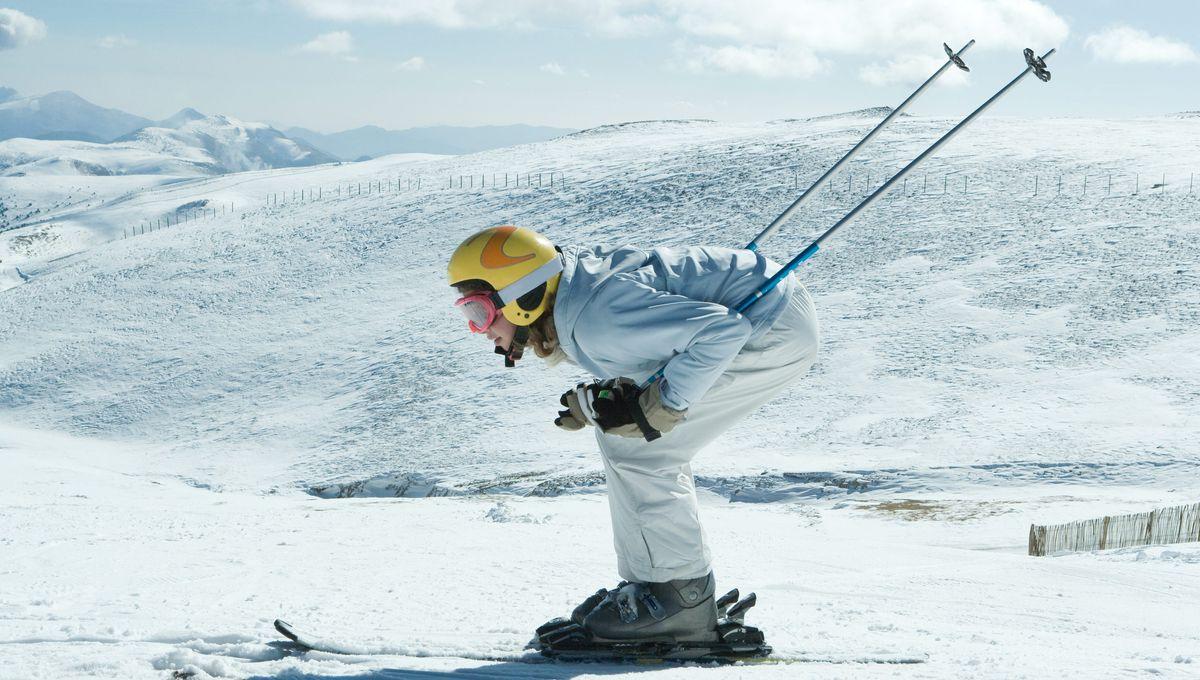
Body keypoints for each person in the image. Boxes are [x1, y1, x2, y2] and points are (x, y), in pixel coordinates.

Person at [448, 225, 819, 644]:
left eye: (479, 313)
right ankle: (657, 587)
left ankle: (678, 601)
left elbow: (722, 331)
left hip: (770, 329)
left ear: (522, 298)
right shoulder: (580, 299)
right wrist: (609, 403)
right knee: (627, 436)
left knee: (642, 449)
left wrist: (665, 404)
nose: (478, 329)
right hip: (771, 309)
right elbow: (655, 347)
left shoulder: (596, 320)